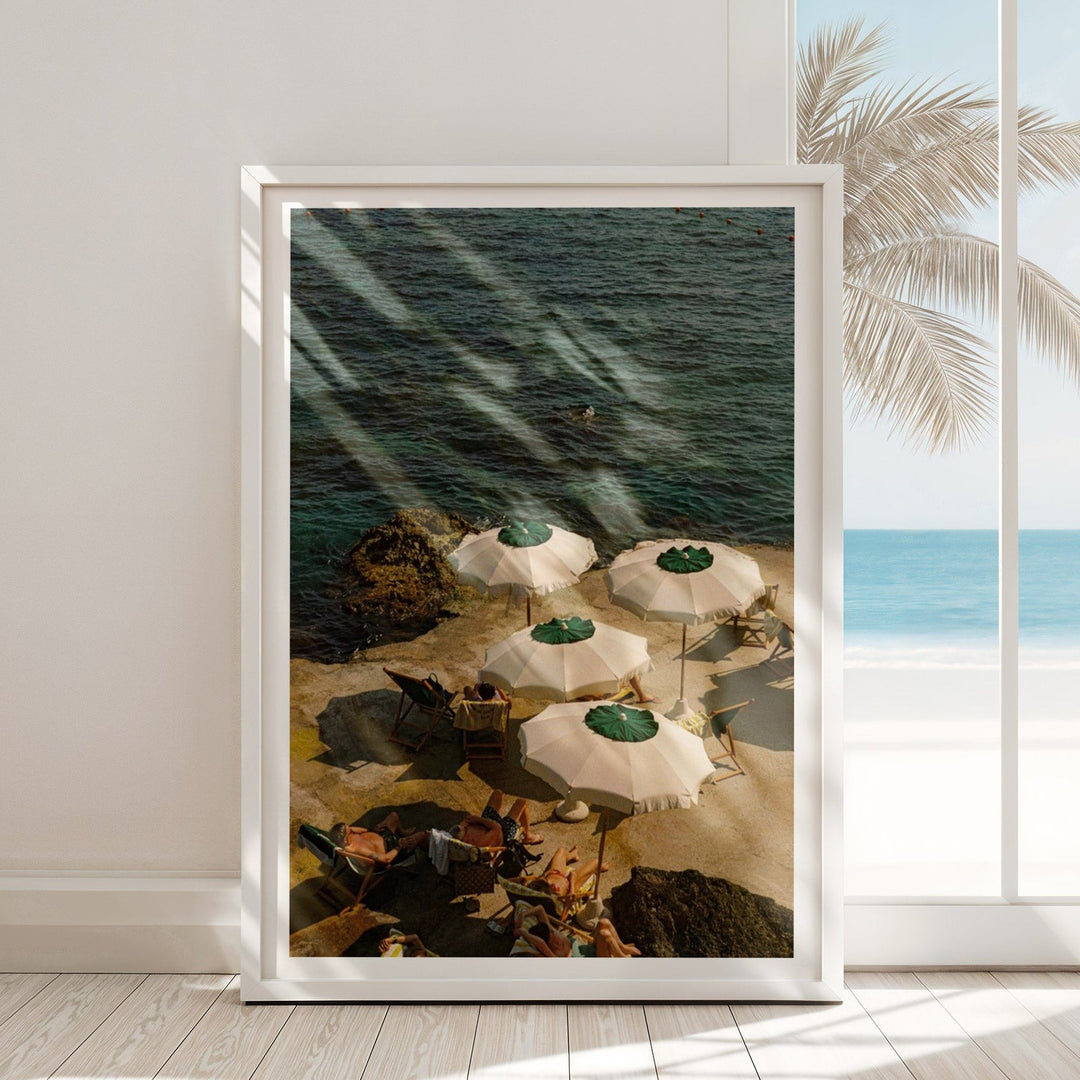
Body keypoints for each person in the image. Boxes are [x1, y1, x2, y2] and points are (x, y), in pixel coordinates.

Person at [514, 904, 641, 958]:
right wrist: (524, 933)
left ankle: (623, 948)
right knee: (605, 935)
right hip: (597, 963)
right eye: (551, 937)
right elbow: (539, 942)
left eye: (552, 932)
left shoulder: (552, 933)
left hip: (591, 948)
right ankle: (623, 959)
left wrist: (523, 915)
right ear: (546, 942)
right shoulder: (553, 955)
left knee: (604, 922)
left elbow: (540, 909)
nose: (554, 935)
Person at [328, 811, 423, 866]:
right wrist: (399, 846)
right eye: (349, 832)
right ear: (345, 840)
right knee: (421, 835)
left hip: (382, 836)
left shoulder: (348, 837)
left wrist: (372, 830)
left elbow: (362, 831)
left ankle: (403, 833)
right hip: (391, 848)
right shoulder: (358, 850)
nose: (352, 830)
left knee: (393, 816)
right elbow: (386, 859)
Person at [512, 846, 606, 899]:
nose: (551, 888)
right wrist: (572, 881)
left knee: (561, 851)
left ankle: (573, 855)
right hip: (569, 884)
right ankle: (600, 868)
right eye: (550, 892)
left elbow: (541, 884)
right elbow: (570, 896)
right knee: (596, 863)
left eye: (546, 887)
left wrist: (546, 876)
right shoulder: (560, 898)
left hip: (554, 874)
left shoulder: (539, 889)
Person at [459, 788, 542, 848]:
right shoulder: (481, 842)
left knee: (497, 793)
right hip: (502, 834)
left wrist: (469, 823)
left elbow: (465, 822)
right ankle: (527, 837)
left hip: (487, 826)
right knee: (522, 803)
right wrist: (478, 819)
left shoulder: (462, 837)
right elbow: (497, 828)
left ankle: (526, 835)